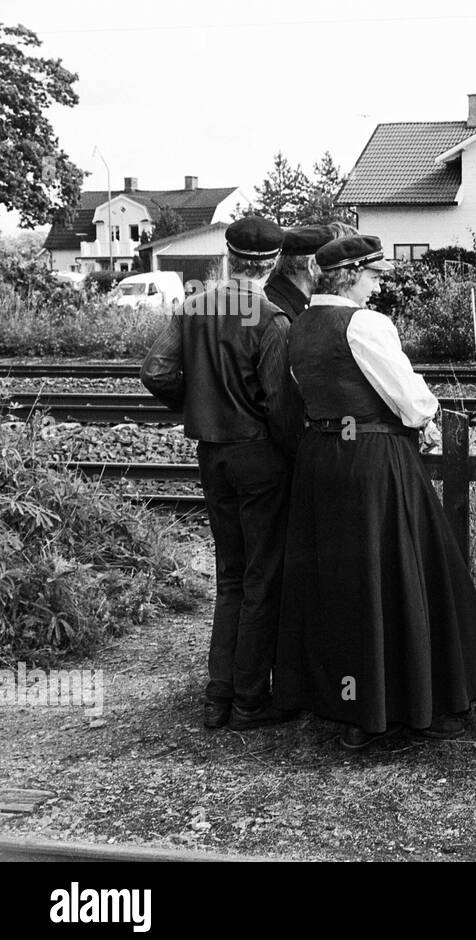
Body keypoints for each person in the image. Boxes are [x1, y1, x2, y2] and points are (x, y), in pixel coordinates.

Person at [273, 234, 476, 750]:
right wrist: (429, 417)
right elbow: (411, 400)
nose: (378, 286)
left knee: (346, 585)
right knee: (399, 577)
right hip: (374, 462)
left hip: (320, 463)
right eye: (374, 276)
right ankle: (412, 707)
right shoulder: (364, 324)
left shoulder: (299, 325)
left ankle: (356, 710)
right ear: (350, 275)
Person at [140, 217, 303, 731]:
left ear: (227, 256)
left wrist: (197, 403)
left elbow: (157, 372)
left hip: (212, 456)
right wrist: (294, 454)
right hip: (258, 457)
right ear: (273, 263)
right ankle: (251, 701)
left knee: (230, 577)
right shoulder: (272, 319)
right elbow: (279, 405)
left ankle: (219, 697)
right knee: (260, 579)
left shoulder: (191, 308)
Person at [263, 222, 357, 320]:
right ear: (312, 265)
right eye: (335, 267)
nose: (344, 278)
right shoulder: (278, 313)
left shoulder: (286, 303)